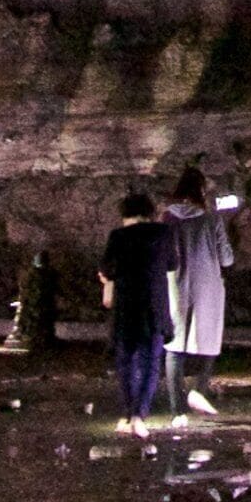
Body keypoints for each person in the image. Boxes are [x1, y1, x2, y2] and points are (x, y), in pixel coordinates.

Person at [161, 165, 234, 416]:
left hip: (175, 285)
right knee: (210, 341)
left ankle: (177, 410)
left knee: (174, 346)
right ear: (201, 190)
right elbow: (227, 259)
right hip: (207, 286)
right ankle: (199, 389)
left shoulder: (167, 219)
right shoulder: (212, 219)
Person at [99, 186, 168, 434]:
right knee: (151, 361)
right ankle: (140, 413)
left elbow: (106, 269)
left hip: (126, 307)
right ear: (149, 212)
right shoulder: (163, 233)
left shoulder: (118, 236)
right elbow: (173, 263)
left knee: (126, 360)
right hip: (154, 306)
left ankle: (129, 413)